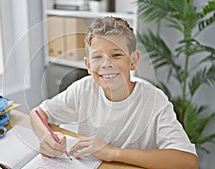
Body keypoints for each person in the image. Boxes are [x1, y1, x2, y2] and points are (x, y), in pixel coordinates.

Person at [30, 16, 198, 169]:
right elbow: (38, 113)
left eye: (116, 54)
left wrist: (112, 152)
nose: (106, 64)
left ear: (133, 61)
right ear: (88, 65)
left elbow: (188, 162)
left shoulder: (154, 100)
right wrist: (45, 136)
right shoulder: (83, 89)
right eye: (97, 57)